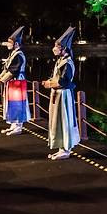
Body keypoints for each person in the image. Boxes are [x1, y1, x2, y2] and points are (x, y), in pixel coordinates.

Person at [42, 26, 80, 160]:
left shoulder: (68, 63)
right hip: (56, 95)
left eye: (57, 46)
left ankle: (66, 148)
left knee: (64, 120)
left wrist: (49, 84)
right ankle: (60, 147)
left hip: (63, 95)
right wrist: (49, 82)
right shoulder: (60, 61)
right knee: (57, 120)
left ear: (64, 48)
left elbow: (63, 81)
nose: (55, 48)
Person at [0, 26, 31, 136]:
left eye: (10, 42)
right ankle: (13, 124)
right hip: (12, 82)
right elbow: (6, 68)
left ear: (16, 44)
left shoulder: (19, 55)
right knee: (11, 103)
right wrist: (0, 76)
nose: (8, 44)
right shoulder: (13, 54)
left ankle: (18, 126)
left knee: (18, 103)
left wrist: (2, 80)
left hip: (18, 82)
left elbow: (13, 70)